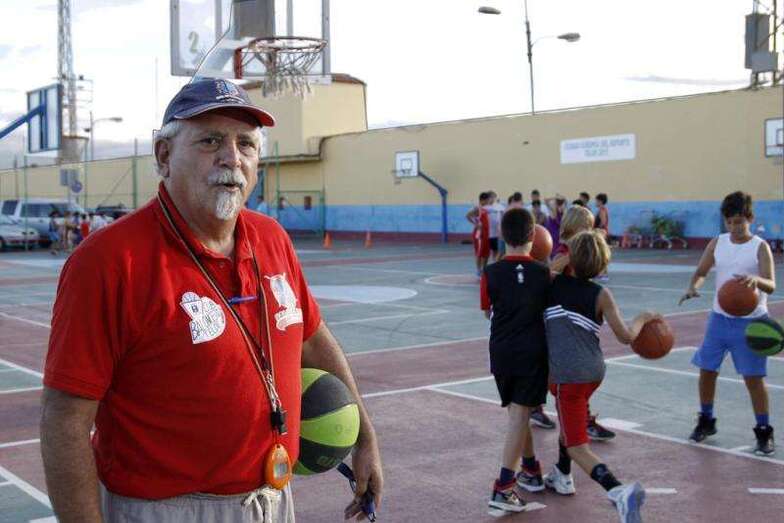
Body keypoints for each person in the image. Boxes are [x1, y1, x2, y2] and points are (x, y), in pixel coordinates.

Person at [40, 78, 383, 523]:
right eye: (210, 141)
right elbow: (65, 420)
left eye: (246, 144)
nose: (232, 158)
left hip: (272, 500)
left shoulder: (272, 239)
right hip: (165, 511)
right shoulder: (108, 261)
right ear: (164, 156)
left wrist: (365, 438)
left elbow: (312, 339)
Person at [544, 230, 652, 522]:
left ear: (569, 258)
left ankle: (617, 491)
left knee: (577, 446)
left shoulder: (551, 282)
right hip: (593, 371)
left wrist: (564, 258)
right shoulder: (602, 294)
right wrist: (642, 318)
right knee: (570, 421)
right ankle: (561, 473)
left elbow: (544, 269)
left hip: (568, 375)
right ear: (603, 265)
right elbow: (626, 336)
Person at [679, 191, 776, 455]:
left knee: (753, 378)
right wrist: (694, 287)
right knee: (707, 370)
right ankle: (706, 420)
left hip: (752, 322)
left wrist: (756, 281)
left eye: (739, 222)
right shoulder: (717, 243)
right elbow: (701, 272)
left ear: (750, 218)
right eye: (730, 222)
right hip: (719, 319)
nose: (734, 227)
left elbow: (771, 284)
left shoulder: (760, 246)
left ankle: (764, 430)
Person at [480, 208, 551, 514]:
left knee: (518, 412)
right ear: (534, 235)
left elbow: (488, 311)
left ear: (502, 235)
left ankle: (531, 468)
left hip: (501, 351)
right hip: (531, 352)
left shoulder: (490, 273)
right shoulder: (544, 274)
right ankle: (503, 488)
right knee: (520, 416)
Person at [547, 206, 616, 441]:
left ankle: (583, 420)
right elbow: (550, 270)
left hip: (577, 316)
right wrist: (574, 254)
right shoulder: (564, 250)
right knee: (558, 371)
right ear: (575, 226)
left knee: (574, 375)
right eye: (586, 226)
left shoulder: (583, 249)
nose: (590, 229)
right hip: (560, 316)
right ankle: (536, 407)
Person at [466, 192, 491, 277]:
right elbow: (467, 215)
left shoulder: (485, 209)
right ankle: (478, 270)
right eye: (487, 200)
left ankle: (484, 269)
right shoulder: (477, 208)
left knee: (486, 253)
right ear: (483, 200)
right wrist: (475, 224)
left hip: (486, 234)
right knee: (479, 253)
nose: (488, 201)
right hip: (479, 235)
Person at [485, 191, 506, 262]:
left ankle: (496, 262)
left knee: (499, 250)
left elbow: (504, 216)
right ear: (487, 198)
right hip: (488, 233)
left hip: (498, 233)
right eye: (491, 197)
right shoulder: (485, 207)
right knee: (490, 251)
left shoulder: (499, 207)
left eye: (494, 197)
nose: (492, 199)